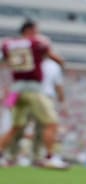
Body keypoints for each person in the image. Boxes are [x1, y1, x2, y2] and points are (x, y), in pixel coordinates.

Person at [0, 19, 67, 168]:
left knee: (15, 126)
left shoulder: (8, 44)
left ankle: (5, 154)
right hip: (33, 89)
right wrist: (62, 62)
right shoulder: (37, 42)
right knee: (51, 123)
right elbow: (54, 57)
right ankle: (50, 157)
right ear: (29, 30)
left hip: (15, 90)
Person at [8, 56, 66, 164]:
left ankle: (37, 157)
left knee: (42, 128)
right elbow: (17, 83)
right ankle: (11, 156)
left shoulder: (53, 66)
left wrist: (63, 102)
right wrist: (11, 101)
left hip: (45, 97)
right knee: (19, 126)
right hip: (29, 95)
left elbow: (58, 85)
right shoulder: (29, 62)